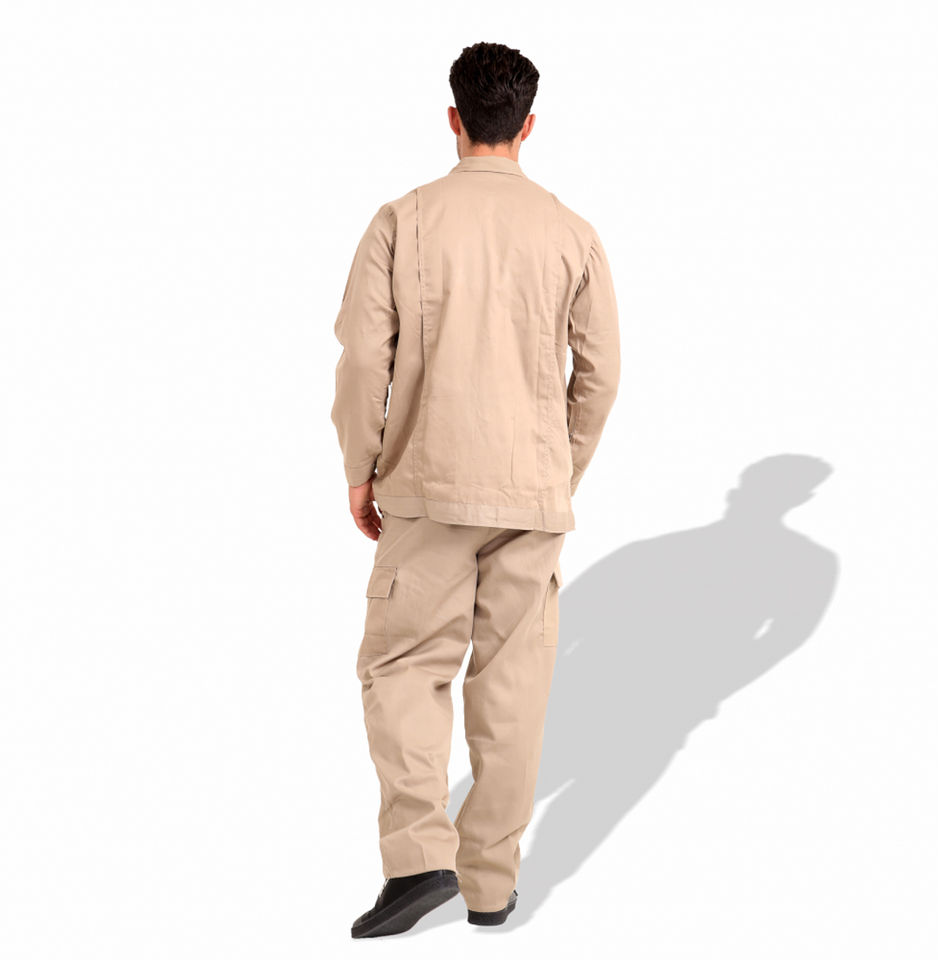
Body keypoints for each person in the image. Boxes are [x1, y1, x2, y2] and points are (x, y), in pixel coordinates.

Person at [331, 41, 621, 938]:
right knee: (514, 685)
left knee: (404, 667)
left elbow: (362, 361)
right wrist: (555, 474)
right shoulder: (572, 232)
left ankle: (420, 860)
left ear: (454, 118)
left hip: (425, 486)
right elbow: (601, 375)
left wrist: (361, 467)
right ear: (528, 127)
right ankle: (491, 887)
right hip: (530, 494)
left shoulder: (402, 220)